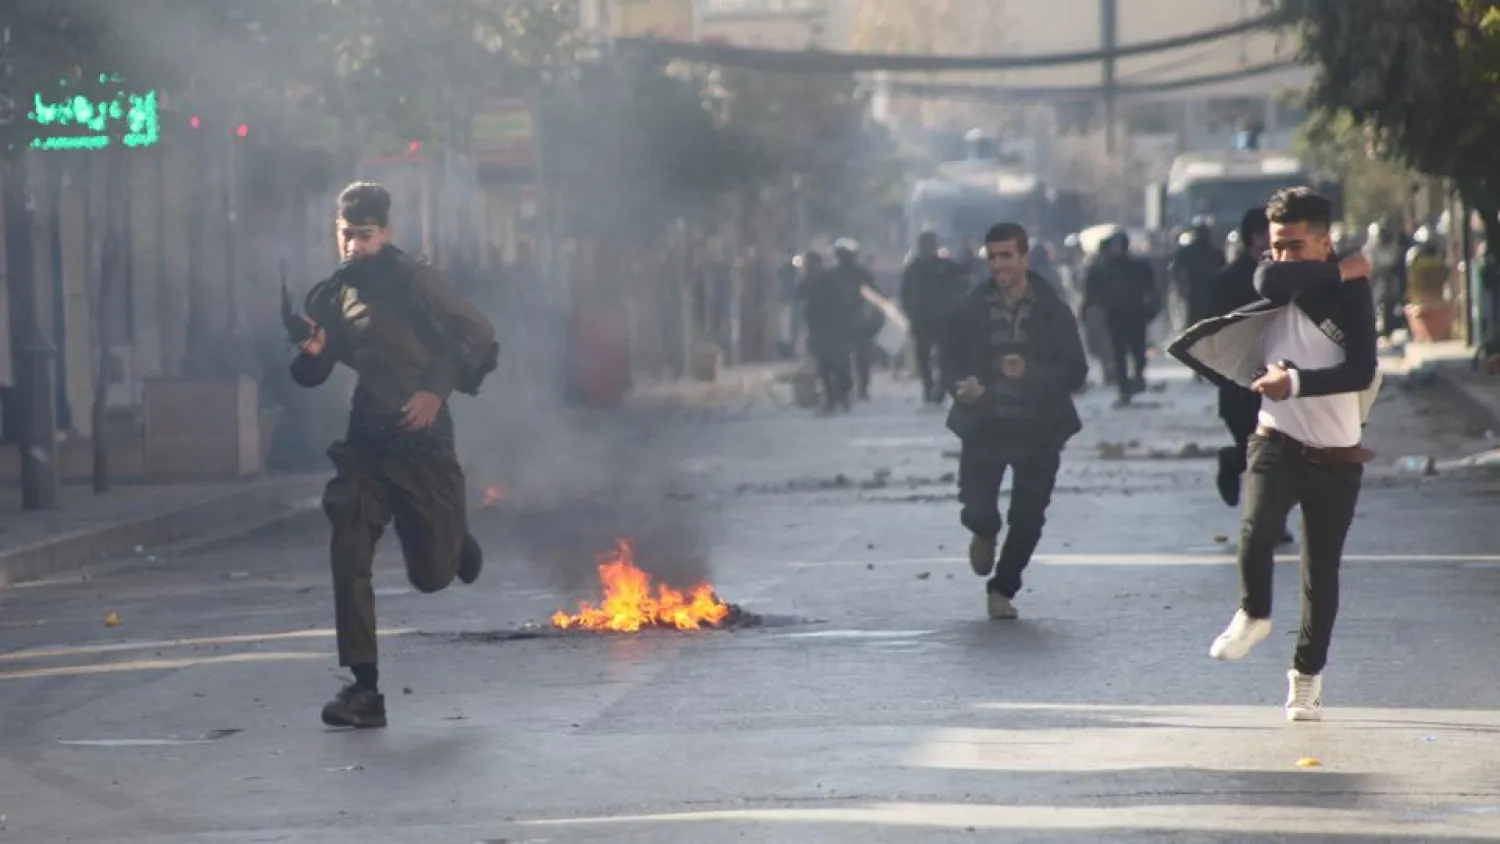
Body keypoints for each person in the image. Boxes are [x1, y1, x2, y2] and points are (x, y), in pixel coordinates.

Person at [290, 182, 499, 729]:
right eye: (345, 235)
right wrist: (313, 353)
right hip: (367, 445)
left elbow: (477, 334)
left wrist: (436, 391)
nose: (354, 245)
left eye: (364, 235)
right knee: (348, 549)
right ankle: (364, 689)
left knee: (431, 575)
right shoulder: (334, 294)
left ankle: (453, 545)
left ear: (385, 232)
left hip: (422, 444)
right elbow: (312, 371)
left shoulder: (415, 282)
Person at [1168, 187, 1380, 722]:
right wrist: (1339, 268)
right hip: (1275, 439)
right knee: (1255, 530)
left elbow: (1359, 372)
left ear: (1325, 241)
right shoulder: (1284, 277)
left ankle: (1306, 678)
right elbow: (1269, 279)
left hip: (1335, 454)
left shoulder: (1353, 297)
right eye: (1276, 243)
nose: (1282, 254)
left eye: (1295, 244)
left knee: (1320, 573)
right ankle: (1253, 612)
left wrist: (1297, 381)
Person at [941, 222, 1088, 620]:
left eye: (1006, 256)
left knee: (1027, 518)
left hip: (1039, 429)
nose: (999, 265)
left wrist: (1028, 371)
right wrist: (961, 387)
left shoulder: (1052, 310)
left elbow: (1075, 371)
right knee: (977, 508)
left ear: (1024, 257)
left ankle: (1003, 588)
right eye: (992, 257)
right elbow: (948, 359)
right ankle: (983, 533)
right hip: (985, 426)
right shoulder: (969, 308)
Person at [1082, 229, 1158, 407]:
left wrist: (1151, 308)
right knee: (1120, 354)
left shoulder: (1137, 267)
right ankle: (1124, 388)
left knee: (1137, 352)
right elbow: (1091, 292)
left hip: (1134, 314)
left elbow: (1151, 289)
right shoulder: (1102, 269)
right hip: (1115, 315)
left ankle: (1137, 378)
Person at [900, 232, 969, 404]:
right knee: (923, 357)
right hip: (921, 318)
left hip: (943, 318)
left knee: (944, 356)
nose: (928, 247)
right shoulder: (913, 268)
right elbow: (905, 293)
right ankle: (928, 387)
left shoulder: (944, 266)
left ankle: (940, 388)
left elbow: (964, 276)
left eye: (930, 244)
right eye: (925, 244)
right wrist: (909, 313)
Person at [797, 251, 862, 412]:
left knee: (840, 364)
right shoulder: (805, 283)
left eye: (813, 265)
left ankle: (845, 393)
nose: (811, 269)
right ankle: (830, 398)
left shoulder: (832, 281)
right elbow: (800, 301)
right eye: (808, 265)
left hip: (837, 329)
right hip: (818, 331)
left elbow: (846, 301)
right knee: (823, 366)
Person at [827, 239, 882, 400]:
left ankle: (862, 386)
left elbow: (872, 293)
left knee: (861, 356)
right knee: (842, 357)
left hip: (858, 319)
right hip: (840, 320)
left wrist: (874, 312)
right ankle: (847, 387)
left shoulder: (860, 273)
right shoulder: (832, 275)